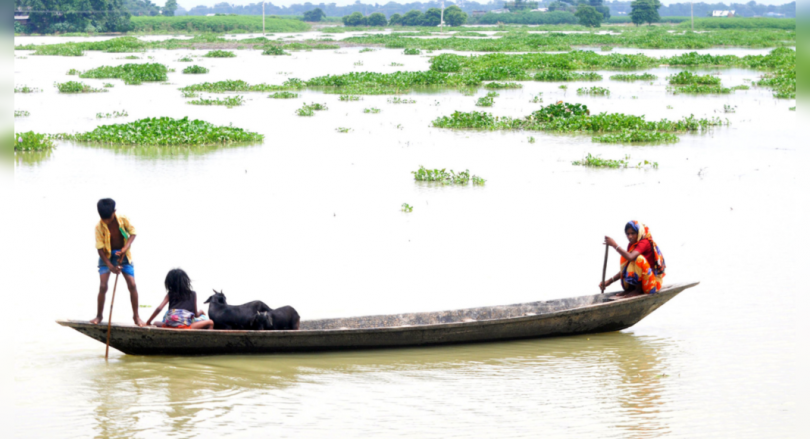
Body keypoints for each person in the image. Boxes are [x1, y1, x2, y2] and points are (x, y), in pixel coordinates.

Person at [90, 198, 145, 326]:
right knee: (103, 286)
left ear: (114, 211)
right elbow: (99, 249)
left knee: (132, 285)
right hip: (106, 256)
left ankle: (136, 317)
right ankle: (99, 316)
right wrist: (110, 266)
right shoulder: (99, 226)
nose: (106, 221)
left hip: (124, 255)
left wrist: (125, 249)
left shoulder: (123, 219)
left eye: (108, 218)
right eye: (103, 219)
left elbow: (133, 233)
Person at [599, 221, 666, 298]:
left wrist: (614, 245)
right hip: (644, 284)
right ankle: (630, 289)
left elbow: (631, 257)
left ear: (639, 232)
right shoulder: (631, 245)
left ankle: (638, 290)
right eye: (628, 234)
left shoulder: (645, 242)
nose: (630, 236)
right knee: (624, 257)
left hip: (651, 285)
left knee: (637, 258)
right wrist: (609, 281)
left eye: (633, 233)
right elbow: (627, 266)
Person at [146, 268, 214, 329]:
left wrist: (148, 322)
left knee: (155, 323)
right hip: (186, 326)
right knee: (210, 322)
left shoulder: (170, 294)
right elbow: (195, 315)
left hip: (170, 325)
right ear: (186, 281)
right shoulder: (193, 294)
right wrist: (201, 312)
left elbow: (159, 308)